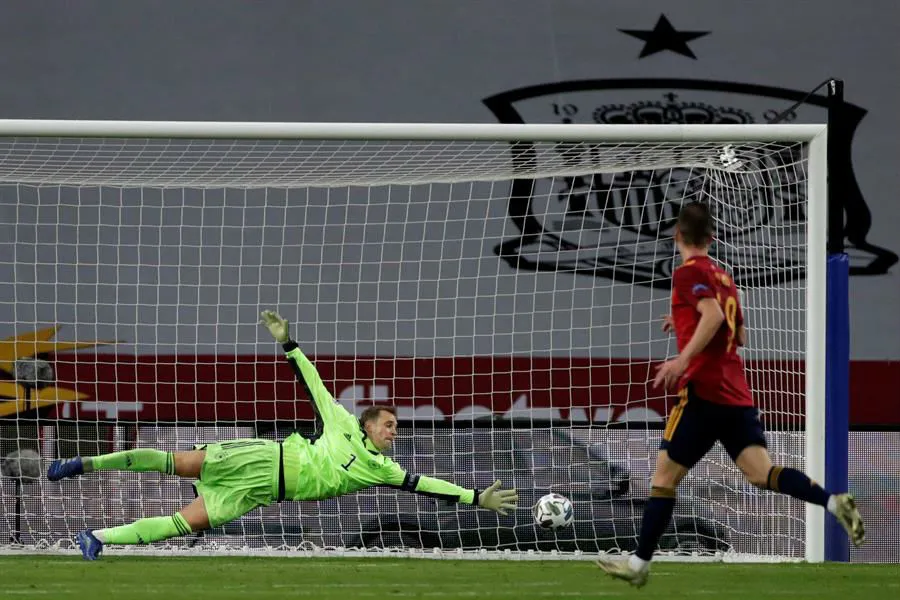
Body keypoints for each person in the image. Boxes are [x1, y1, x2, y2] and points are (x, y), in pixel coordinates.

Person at [48, 310, 518, 560]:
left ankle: (94, 536)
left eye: (396, 427)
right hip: (259, 460)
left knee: (181, 525)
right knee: (175, 461)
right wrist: (288, 343)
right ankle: (80, 464)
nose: (395, 431)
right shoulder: (340, 424)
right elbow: (313, 381)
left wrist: (476, 498)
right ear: (368, 424)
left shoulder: (383, 469)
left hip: (260, 493)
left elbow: (426, 486)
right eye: (389, 424)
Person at [597, 202, 865, 587]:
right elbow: (738, 334)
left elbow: (715, 318)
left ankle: (638, 565)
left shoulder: (687, 274)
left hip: (702, 393)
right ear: (711, 238)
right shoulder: (723, 276)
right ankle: (832, 501)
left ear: (677, 237)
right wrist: (683, 321)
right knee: (761, 473)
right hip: (735, 395)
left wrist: (680, 359)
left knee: (663, 479)